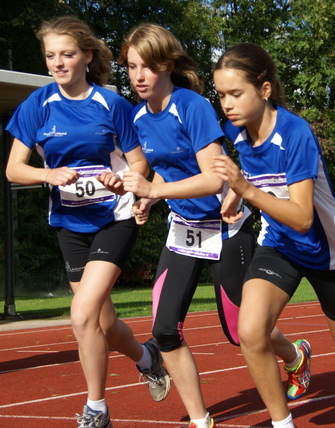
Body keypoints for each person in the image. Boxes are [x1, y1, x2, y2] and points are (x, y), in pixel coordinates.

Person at [118, 24, 310, 428]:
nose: (137, 76)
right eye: (131, 66)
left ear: (168, 65)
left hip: (224, 230)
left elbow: (212, 178)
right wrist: (147, 199)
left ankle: (294, 355)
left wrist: (157, 188)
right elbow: (159, 172)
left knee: (243, 333)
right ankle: (200, 420)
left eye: (147, 67)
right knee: (164, 329)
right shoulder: (138, 117)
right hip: (183, 230)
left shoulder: (192, 106)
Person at [4, 16, 170, 428]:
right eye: (50, 56)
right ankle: (148, 358)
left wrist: (122, 180)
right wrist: (47, 175)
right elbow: (13, 169)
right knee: (104, 321)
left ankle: (96, 408)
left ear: (87, 56)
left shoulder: (111, 104)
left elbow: (139, 162)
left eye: (67, 54)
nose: (58, 63)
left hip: (114, 218)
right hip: (68, 223)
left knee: (81, 316)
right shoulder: (36, 105)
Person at [211, 43, 335, 428]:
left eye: (236, 94)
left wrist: (246, 191)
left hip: (328, 251)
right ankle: (282, 423)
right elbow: (249, 185)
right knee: (251, 331)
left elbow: (304, 217)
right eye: (221, 94)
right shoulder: (234, 131)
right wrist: (231, 197)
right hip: (279, 245)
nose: (227, 104)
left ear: (265, 90)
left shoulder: (295, 133)